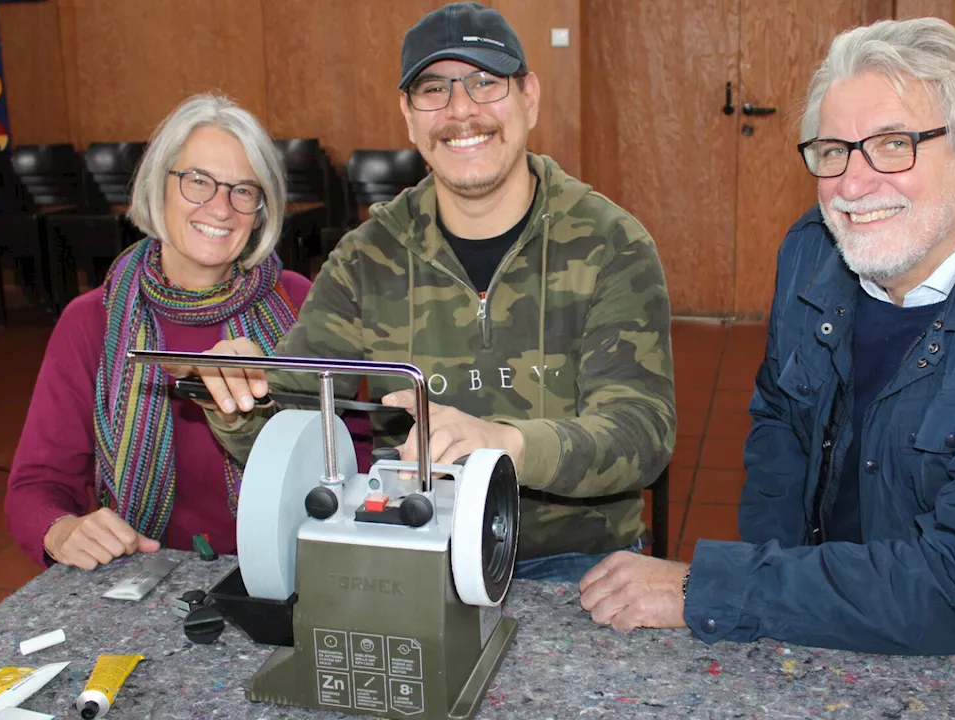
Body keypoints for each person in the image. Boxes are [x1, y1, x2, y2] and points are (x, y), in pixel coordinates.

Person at [579, 17, 955, 655]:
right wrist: (769, 599)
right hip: (824, 609)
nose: (852, 185)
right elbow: (781, 423)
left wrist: (726, 589)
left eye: (894, 144)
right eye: (832, 150)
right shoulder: (814, 249)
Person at [174, 2, 675, 584]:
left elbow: (641, 433)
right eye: (434, 89)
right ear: (409, 118)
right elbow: (286, 422)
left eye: (485, 82)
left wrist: (504, 442)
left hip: (575, 562)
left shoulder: (611, 244)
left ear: (529, 97)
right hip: (417, 551)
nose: (461, 110)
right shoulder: (367, 259)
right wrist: (235, 393)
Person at [5, 94, 319, 570]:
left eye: (243, 190)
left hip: (289, 565)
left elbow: (347, 455)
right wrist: (62, 529)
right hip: (145, 571)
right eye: (198, 181)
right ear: (160, 185)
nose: (221, 208)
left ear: (261, 210)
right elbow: (36, 487)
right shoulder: (92, 320)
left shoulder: (299, 302)